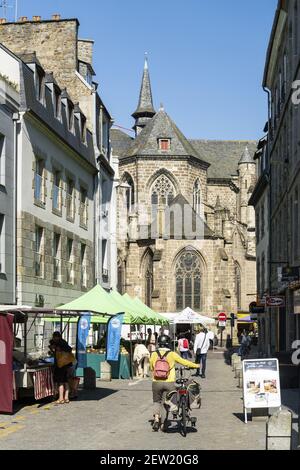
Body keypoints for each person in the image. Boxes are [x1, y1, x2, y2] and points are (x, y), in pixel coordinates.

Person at [149, 334, 199, 432]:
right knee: (166, 403)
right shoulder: (172, 354)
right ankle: (163, 424)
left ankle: (156, 419)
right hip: (169, 382)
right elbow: (183, 361)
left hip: (156, 381)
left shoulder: (154, 354)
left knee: (156, 401)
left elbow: (151, 367)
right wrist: (196, 365)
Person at [49, 332, 74, 405]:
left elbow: (60, 352)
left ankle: (61, 398)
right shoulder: (64, 342)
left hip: (61, 365)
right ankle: (66, 397)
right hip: (67, 364)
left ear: (56, 337)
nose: (54, 339)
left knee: (60, 382)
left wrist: (55, 349)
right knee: (66, 381)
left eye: (54, 337)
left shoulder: (60, 344)